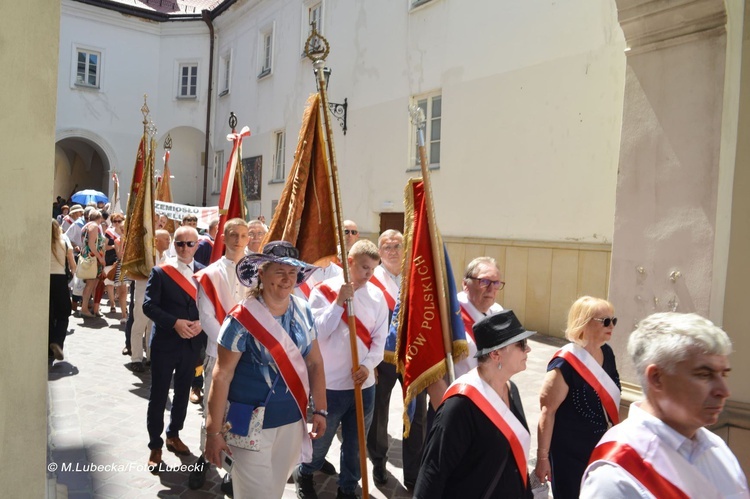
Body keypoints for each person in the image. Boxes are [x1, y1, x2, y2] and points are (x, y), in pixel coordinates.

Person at [204, 241, 327, 498]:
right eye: (280, 271)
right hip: (246, 424)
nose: (287, 279)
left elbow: (314, 362)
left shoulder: (304, 310)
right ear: (261, 272)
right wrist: (213, 431)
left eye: (292, 272)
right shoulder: (240, 318)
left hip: (292, 421)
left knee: (275, 490)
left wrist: (321, 409)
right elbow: (221, 375)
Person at [580, 312, 748, 498]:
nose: (724, 391)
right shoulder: (614, 477)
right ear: (657, 378)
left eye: (723, 374)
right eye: (704, 374)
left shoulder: (717, 447)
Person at [294, 239, 388, 499]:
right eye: (364, 268)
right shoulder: (322, 290)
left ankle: (347, 488)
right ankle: (306, 472)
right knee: (320, 439)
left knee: (356, 444)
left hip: (362, 385)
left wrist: (368, 366)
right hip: (330, 384)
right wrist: (338, 304)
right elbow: (318, 332)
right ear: (349, 262)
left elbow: (380, 339)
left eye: (372, 269)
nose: (368, 274)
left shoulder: (377, 296)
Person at [414, 310, 535, 499]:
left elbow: (515, 458)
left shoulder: (512, 390)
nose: (528, 350)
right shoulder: (460, 405)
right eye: (521, 344)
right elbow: (433, 472)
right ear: (496, 354)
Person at [533, 296, 621, 499]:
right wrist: (543, 458)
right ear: (584, 322)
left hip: (600, 449)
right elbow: (548, 412)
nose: (611, 326)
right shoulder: (565, 363)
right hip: (569, 455)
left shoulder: (607, 353)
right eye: (605, 321)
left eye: (613, 320)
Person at [188, 218, 248, 491]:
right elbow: (206, 317)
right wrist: (230, 344)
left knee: (240, 413)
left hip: (249, 358)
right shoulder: (209, 274)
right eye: (233, 234)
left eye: (243, 235)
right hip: (218, 354)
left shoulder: (257, 273)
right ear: (223, 237)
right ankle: (203, 458)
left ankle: (232, 469)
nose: (238, 239)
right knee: (211, 411)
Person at [143, 226, 206, 473]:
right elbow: (148, 306)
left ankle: (173, 434)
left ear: (197, 245)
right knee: (159, 395)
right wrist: (175, 323)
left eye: (190, 244)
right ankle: (155, 444)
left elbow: (208, 305)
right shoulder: (161, 272)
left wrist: (202, 323)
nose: (185, 248)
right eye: (180, 244)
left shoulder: (204, 272)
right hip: (166, 343)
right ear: (174, 245)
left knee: (182, 392)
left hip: (192, 343)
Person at [366, 229, 426, 489]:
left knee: (417, 415)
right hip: (383, 361)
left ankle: (413, 471)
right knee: (378, 413)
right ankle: (378, 462)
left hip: (413, 357)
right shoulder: (371, 282)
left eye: (397, 245)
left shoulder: (417, 277)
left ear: (406, 249)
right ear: (380, 252)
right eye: (387, 246)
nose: (392, 250)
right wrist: (369, 364)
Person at [455, 256, 505, 377]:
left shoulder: (497, 311)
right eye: (484, 282)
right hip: (461, 391)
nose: (491, 289)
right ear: (465, 284)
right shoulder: (452, 314)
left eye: (496, 283)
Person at [49, 219, 76, 364]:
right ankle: (57, 342)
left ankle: (50, 344)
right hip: (59, 279)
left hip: (43, 280)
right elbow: (72, 265)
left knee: (47, 313)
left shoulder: (40, 241)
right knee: (63, 314)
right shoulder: (64, 241)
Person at [79, 210, 106, 318]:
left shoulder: (86, 225)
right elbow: (91, 244)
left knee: (91, 284)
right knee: (90, 284)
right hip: (93, 259)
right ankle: (84, 308)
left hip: (89, 257)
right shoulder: (94, 226)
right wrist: (100, 258)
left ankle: (89, 307)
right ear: (99, 218)